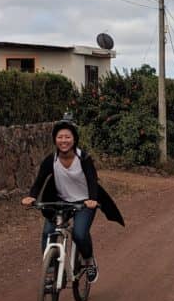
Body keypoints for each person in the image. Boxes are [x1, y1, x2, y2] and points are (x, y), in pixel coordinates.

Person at [21, 118, 124, 283]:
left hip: (84, 202)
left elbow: (92, 180)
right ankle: (50, 269)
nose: (64, 141)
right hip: (61, 202)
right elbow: (39, 181)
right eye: (60, 137)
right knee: (48, 233)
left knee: (79, 234)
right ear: (55, 139)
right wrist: (32, 196)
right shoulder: (50, 160)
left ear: (74, 139)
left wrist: (92, 200)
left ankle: (89, 261)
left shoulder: (83, 158)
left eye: (67, 137)